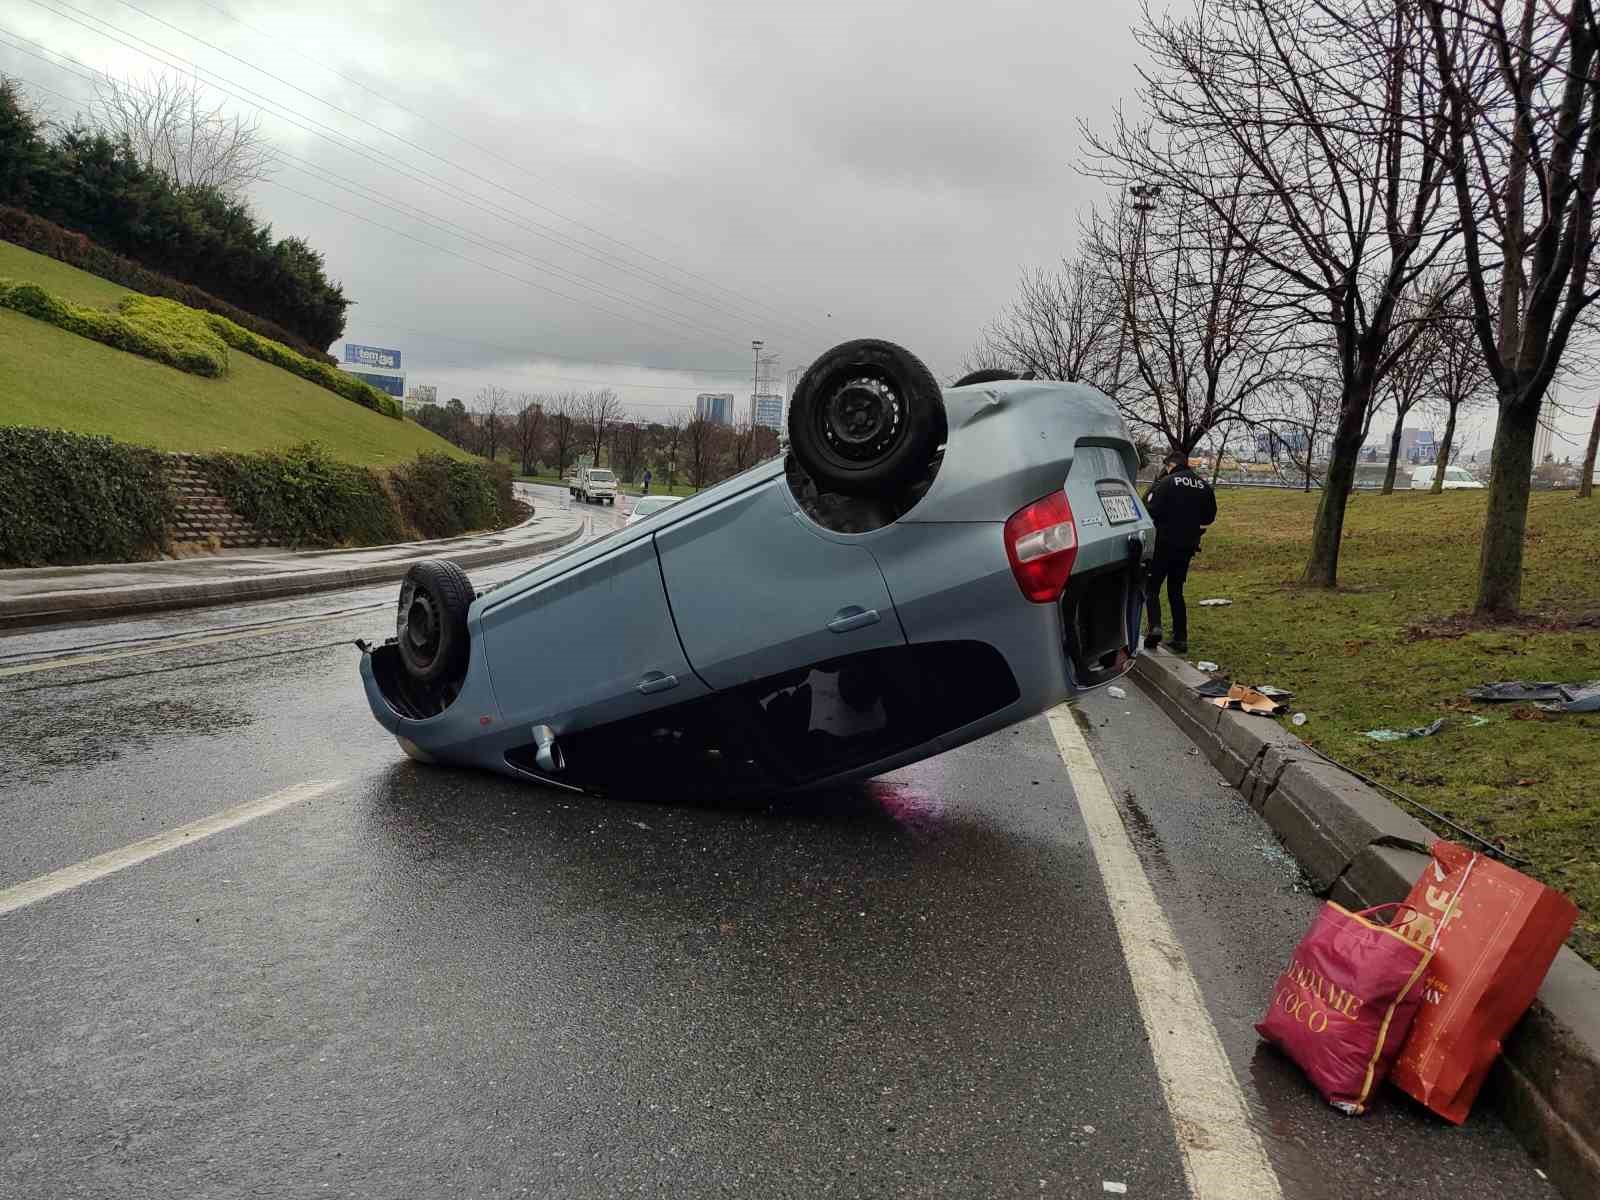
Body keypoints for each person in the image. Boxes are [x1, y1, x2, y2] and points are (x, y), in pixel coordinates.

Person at [1143, 449, 1217, 655]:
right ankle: (1180, 638)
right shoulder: (1203, 485)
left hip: (1163, 543)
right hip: (1187, 545)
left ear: (1171, 465)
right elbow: (1209, 517)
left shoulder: (1166, 483)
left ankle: (1155, 628)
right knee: (1176, 591)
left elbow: (1150, 510)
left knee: (1152, 588)